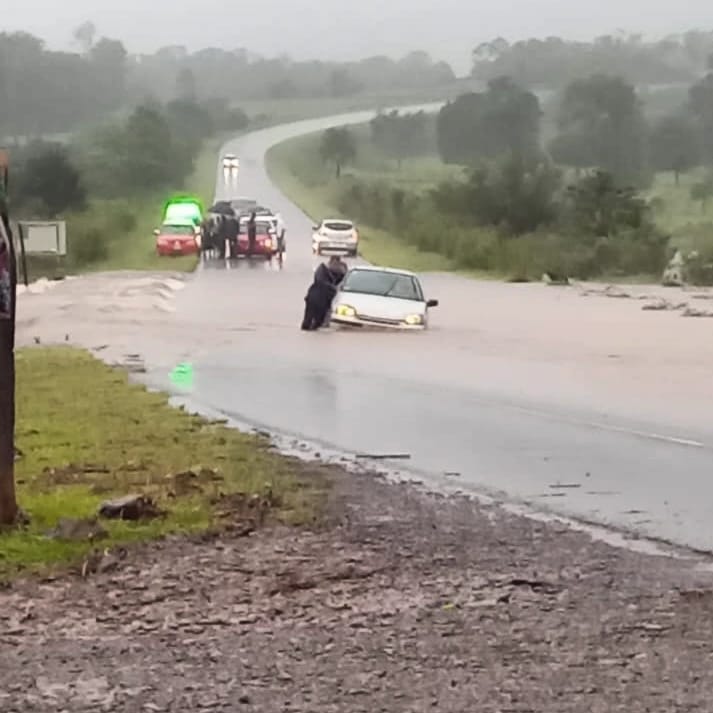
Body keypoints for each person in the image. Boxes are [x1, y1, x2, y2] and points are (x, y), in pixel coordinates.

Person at [301, 256, 343, 331]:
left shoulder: (321, 269)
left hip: (314, 295)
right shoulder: (333, 272)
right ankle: (312, 326)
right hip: (319, 297)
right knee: (317, 317)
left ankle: (308, 326)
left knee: (310, 317)